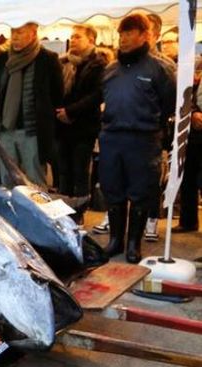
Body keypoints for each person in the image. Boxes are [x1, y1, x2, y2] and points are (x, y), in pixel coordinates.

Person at [99, 13, 175, 263]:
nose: (123, 39)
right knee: (113, 189)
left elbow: (169, 104)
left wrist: (151, 126)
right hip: (111, 138)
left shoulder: (160, 68)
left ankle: (133, 244)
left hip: (143, 140)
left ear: (145, 35)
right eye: (121, 34)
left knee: (141, 192)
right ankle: (116, 241)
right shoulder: (111, 69)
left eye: (129, 33)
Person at [0, 23, 63, 188]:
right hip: (6, 131)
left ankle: (37, 213)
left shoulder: (47, 59)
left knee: (35, 182)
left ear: (33, 33)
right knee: (7, 182)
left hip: (33, 133)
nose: (15, 36)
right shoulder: (3, 59)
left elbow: (57, 96)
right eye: (12, 32)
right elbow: (0, 95)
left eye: (20, 32)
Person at [55, 24, 106, 225]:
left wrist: (70, 112)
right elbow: (57, 91)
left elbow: (96, 95)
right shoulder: (64, 63)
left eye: (77, 37)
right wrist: (60, 112)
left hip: (84, 126)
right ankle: (63, 211)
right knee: (63, 172)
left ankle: (78, 213)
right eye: (72, 37)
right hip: (63, 125)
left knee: (80, 172)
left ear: (90, 40)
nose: (73, 40)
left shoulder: (98, 64)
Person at [142, 13, 177, 242]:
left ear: (154, 35)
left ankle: (152, 219)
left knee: (151, 179)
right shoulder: (123, 63)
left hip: (151, 132)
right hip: (126, 131)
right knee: (121, 178)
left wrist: (155, 121)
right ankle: (113, 217)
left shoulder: (165, 65)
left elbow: (170, 101)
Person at [173, 58, 202, 233]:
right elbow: (181, 98)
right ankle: (188, 221)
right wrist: (192, 112)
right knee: (188, 178)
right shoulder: (185, 78)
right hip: (190, 134)